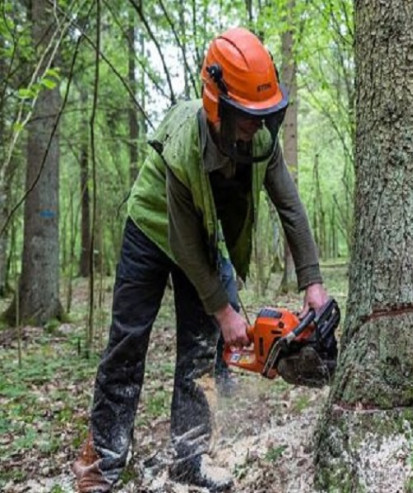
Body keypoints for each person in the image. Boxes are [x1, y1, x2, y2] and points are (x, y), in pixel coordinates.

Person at [72, 27, 329, 492]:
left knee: (200, 349)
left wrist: (312, 281)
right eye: (246, 117)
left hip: (201, 237)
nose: (256, 127)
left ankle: (188, 457)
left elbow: (290, 206)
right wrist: (224, 308)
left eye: (263, 116)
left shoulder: (261, 143)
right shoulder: (184, 142)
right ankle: (102, 461)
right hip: (153, 229)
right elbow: (182, 238)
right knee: (128, 340)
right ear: (218, 107)